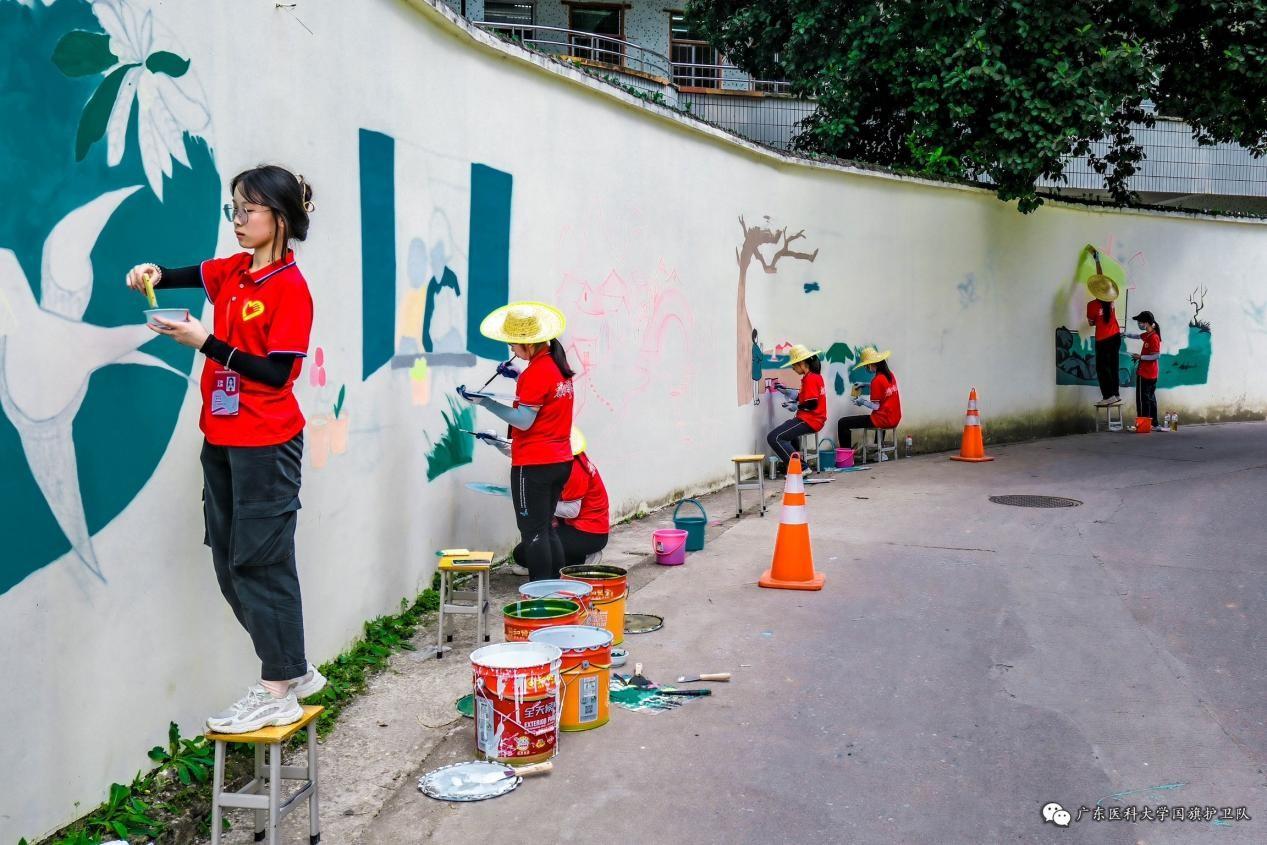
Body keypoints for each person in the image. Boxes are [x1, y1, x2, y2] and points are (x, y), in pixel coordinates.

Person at [126, 165, 324, 733]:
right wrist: (152, 272)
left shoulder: (290, 289)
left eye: (247, 211)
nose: (237, 222)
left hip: (267, 442)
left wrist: (206, 342)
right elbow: (182, 272)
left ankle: (276, 688)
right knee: (229, 561)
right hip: (222, 436)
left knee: (260, 561)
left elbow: (276, 374)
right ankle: (292, 669)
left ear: (279, 219)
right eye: (232, 210)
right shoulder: (234, 271)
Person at [459, 302, 574, 581]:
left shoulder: (537, 372)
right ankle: (559, 589)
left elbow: (524, 421)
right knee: (546, 528)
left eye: (513, 344)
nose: (511, 349)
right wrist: (519, 376)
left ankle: (540, 597)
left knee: (533, 534)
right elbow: (543, 400)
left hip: (534, 464)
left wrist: (484, 402)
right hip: (560, 460)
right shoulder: (555, 365)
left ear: (528, 344)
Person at [483, 428, 609, 573]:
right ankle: (554, 561)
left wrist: (537, 501)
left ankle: (583, 558)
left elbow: (572, 511)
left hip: (589, 532)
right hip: (570, 526)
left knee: (528, 553)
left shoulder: (574, 469)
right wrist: (497, 441)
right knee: (523, 553)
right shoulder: (560, 457)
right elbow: (524, 451)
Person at [767, 344, 825, 475]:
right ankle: (795, 464)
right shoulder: (814, 377)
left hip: (810, 420)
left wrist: (796, 406)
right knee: (788, 432)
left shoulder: (810, 378)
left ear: (802, 363)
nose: (793, 368)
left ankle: (802, 467)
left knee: (774, 437)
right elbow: (804, 397)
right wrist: (787, 392)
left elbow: (812, 404)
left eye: (794, 365)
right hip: (812, 419)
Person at [836, 347, 902, 454]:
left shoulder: (877, 380)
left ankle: (846, 455)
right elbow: (883, 388)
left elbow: (876, 407)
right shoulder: (890, 375)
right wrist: (865, 384)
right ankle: (879, 452)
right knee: (881, 414)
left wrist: (862, 401)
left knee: (843, 423)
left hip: (883, 420)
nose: (867, 368)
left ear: (872, 364)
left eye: (867, 365)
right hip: (894, 417)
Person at [1086, 272, 1122, 406]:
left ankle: (1108, 396)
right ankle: (1116, 394)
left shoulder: (1092, 305)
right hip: (1116, 337)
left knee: (1102, 368)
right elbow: (1102, 279)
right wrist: (1097, 261)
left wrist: (1098, 320)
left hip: (1103, 339)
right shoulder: (1111, 301)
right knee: (1113, 366)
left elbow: (1091, 323)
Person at [1126, 310, 1162, 427]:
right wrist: (1125, 334)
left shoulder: (1153, 337)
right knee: (1150, 398)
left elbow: (1156, 355)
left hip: (1146, 374)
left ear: (1146, 323)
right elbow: (1137, 336)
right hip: (1151, 373)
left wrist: (1140, 357)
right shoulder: (1148, 335)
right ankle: (1153, 423)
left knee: (1143, 400)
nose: (1139, 324)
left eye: (1140, 322)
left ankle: (1143, 424)